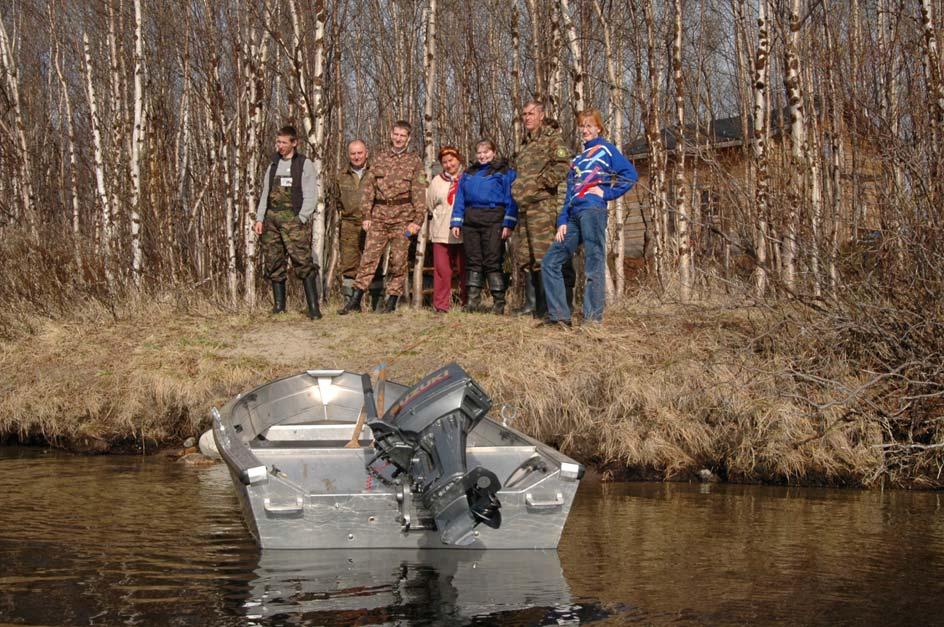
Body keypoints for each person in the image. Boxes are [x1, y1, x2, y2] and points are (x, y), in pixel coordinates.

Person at [542, 108, 638, 326]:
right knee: (550, 261)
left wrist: (606, 192)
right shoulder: (576, 159)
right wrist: (562, 222)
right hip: (573, 215)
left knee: (593, 264)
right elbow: (568, 193)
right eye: (582, 126)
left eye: (589, 126)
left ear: (598, 128)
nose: (584, 130)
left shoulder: (606, 149)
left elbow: (630, 175)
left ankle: (592, 319)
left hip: (593, 211)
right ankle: (559, 317)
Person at [337, 120, 427, 315]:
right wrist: (366, 215)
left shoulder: (415, 161)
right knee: (368, 259)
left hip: (403, 218)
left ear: (408, 138)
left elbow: (419, 192)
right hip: (379, 217)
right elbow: (369, 189)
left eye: (403, 135)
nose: (398, 138)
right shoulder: (379, 159)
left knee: (398, 260)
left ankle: (391, 302)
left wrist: (417, 221)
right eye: (396, 134)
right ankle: (355, 299)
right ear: (391, 135)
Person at [510, 101, 574, 319]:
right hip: (525, 207)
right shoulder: (525, 143)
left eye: (531, 113)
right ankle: (536, 308)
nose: (527, 117)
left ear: (541, 114)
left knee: (544, 256)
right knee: (527, 256)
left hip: (543, 206)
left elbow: (563, 164)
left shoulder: (551, 138)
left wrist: (540, 183)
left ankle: (552, 309)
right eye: (524, 114)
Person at [254, 125, 322, 320]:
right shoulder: (273, 164)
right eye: (278, 142)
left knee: (302, 261)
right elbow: (265, 193)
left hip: (293, 219)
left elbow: (311, 194)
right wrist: (260, 218)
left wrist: (301, 218)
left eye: (284, 142)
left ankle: (313, 308)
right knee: (274, 261)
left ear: (294, 143)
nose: (280, 146)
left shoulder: (303, 163)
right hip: (271, 220)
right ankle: (279, 306)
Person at [450, 140, 517, 314]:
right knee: (473, 261)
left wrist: (508, 222)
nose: (482, 156)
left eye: (486, 152)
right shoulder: (468, 173)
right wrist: (456, 221)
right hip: (471, 220)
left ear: (494, 152)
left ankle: (499, 303)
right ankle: (473, 302)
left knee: (492, 261)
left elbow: (511, 199)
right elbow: (460, 198)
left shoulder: (504, 172)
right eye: (479, 152)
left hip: (493, 218)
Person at [332, 139, 384, 310]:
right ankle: (351, 304)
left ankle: (377, 304)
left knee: (374, 263)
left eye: (359, 153)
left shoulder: (376, 173)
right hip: (349, 225)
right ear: (348, 155)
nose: (356, 157)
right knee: (349, 265)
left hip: (373, 224)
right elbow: (336, 200)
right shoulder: (341, 176)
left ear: (366, 153)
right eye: (353, 153)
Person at [426, 146, 467, 313]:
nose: (449, 165)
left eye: (451, 160)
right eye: (445, 162)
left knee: (465, 268)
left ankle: (467, 302)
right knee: (442, 270)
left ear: (458, 159)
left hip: (464, 232)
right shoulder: (437, 181)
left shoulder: (467, 178)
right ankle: (441, 305)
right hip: (442, 232)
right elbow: (429, 204)